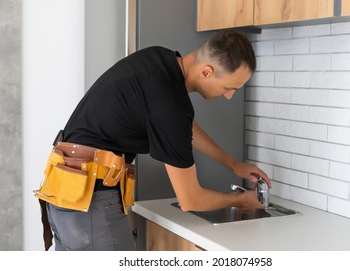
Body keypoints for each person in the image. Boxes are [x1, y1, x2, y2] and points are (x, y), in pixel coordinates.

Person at [35, 29, 271, 251]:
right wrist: (239, 202)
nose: (229, 96)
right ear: (207, 72)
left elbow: (181, 126)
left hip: (64, 194)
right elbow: (190, 199)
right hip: (90, 206)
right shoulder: (171, 106)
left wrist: (233, 164)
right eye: (229, 87)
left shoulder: (159, 60)